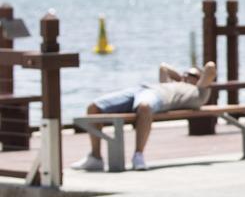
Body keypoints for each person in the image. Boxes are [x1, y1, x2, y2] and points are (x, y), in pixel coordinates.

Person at [71, 62, 217, 171]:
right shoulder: (171, 83)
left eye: (190, 75)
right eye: (185, 73)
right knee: (94, 107)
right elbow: (163, 67)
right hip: (140, 90)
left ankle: (138, 155)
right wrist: (181, 77)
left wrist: (195, 80)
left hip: (157, 97)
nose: (186, 75)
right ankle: (95, 157)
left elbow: (210, 67)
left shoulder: (199, 92)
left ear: (199, 78)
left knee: (144, 107)